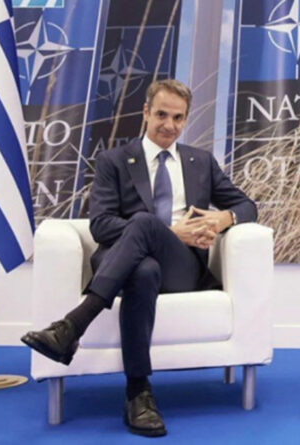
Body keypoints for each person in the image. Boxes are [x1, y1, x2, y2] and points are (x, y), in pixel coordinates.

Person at [21, 79, 257, 437]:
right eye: (161, 114)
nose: (169, 125)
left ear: (186, 119)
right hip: (125, 263)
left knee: (146, 226)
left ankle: (72, 326)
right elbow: (101, 225)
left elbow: (247, 206)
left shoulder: (201, 162)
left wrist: (222, 219)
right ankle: (138, 393)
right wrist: (170, 230)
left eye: (178, 117)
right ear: (146, 112)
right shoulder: (113, 160)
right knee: (143, 266)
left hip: (181, 268)